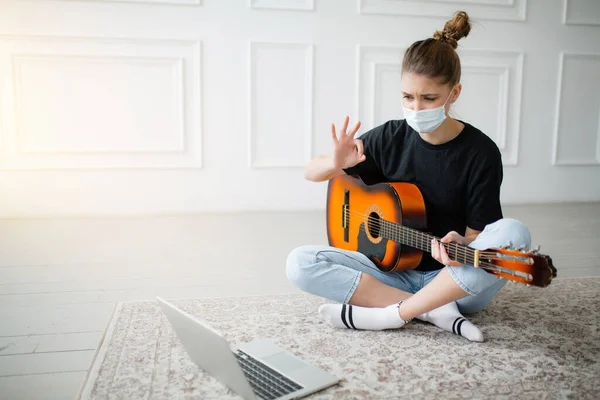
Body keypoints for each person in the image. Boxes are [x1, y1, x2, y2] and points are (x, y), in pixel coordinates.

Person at [285, 11, 532, 342]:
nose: (416, 108)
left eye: (428, 98)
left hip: (454, 282)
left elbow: (478, 236)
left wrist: (464, 242)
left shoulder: (480, 153)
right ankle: (430, 311)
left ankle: (395, 313)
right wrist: (334, 162)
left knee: (514, 233)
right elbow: (310, 172)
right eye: (407, 97)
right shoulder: (391, 137)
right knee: (299, 263)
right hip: (391, 274)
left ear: (453, 93)